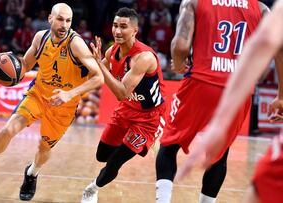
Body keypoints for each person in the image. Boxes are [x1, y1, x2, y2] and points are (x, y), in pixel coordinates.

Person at [0, 3, 104, 201]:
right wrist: (6, 67)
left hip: (63, 106)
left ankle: (32, 173)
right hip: (38, 94)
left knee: (44, 148)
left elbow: (98, 78)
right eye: (60, 19)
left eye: (68, 21)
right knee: (9, 129)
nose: (64, 25)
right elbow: (24, 66)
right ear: (50, 18)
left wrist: (69, 94)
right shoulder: (40, 38)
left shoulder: (75, 44)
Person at [155, 0, 269, 202]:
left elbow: (180, 45)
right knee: (219, 154)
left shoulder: (195, 2)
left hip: (202, 82)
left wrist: (180, 64)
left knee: (169, 145)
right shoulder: (261, 9)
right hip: (238, 89)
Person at [81, 8, 166, 203]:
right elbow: (96, 72)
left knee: (115, 162)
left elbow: (120, 93)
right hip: (126, 109)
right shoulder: (112, 51)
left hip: (148, 117)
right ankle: (130, 145)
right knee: (102, 156)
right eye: (115, 26)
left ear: (135, 30)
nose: (117, 31)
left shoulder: (144, 57)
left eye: (123, 27)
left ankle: (91, 189)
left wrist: (100, 65)